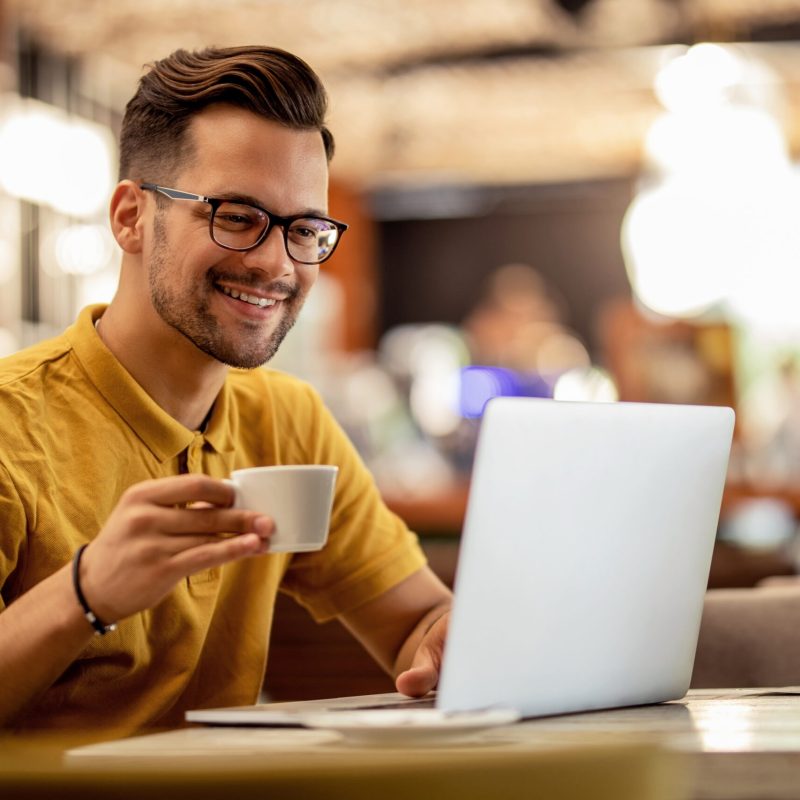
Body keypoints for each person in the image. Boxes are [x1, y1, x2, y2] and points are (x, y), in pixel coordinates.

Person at [0, 45, 451, 733]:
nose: (275, 263)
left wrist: (449, 642)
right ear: (130, 217)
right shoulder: (12, 424)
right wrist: (86, 593)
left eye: (305, 229)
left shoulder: (287, 418)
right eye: (237, 217)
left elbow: (416, 619)